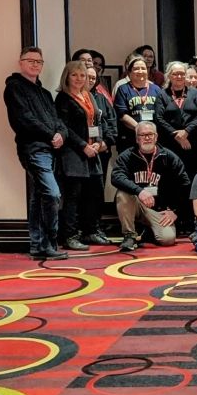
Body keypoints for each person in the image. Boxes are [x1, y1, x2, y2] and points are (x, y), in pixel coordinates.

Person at [4, 47, 70, 260]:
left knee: (39, 197)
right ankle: (49, 243)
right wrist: (52, 134)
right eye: (30, 60)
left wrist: (61, 133)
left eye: (39, 62)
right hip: (33, 149)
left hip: (50, 149)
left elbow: (58, 120)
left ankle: (38, 245)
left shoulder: (44, 93)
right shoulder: (14, 87)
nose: (35, 64)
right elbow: (24, 119)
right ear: (20, 62)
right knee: (52, 194)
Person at [55, 61, 109, 252]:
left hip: (93, 152)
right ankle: (70, 235)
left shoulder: (88, 95)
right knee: (73, 196)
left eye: (83, 75)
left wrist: (99, 141)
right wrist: (83, 145)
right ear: (67, 77)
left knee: (94, 193)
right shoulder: (63, 98)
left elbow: (98, 121)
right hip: (73, 154)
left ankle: (91, 230)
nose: (79, 79)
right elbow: (65, 128)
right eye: (75, 75)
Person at [112, 121, 191, 252]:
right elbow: (116, 177)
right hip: (136, 204)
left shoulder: (169, 157)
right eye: (143, 135)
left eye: (150, 134)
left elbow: (185, 185)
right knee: (123, 193)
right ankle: (130, 235)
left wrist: (176, 212)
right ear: (137, 139)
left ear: (156, 137)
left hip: (159, 210)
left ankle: (148, 231)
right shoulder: (127, 156)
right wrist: (139, 191)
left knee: (168, 239)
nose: (147, 138)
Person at [156, 62, 197, 180]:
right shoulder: (162, 94)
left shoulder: (195, 93)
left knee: (194, 177)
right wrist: (177, 135)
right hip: (170, 144)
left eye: (182, 74)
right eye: (175, 74)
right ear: (169, 76)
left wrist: (186, 132)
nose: (179, 77)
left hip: (194, 142)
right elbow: (159, 118)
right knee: (172, 178)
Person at [114, 55, 165, 151]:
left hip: (153, 139)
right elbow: (122, 114)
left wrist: (150, 132)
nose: (140, 71)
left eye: (143, 68)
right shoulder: (123, 89)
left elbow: (162, 113)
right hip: (130, 138)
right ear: (129, 73)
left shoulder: (156, 89)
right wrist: (140, 128)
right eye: (136, 69)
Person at [87, 66, 117, 188]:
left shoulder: (101, 98)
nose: (90, 80)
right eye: (88, 77)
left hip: (102, 150)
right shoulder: (71, 97)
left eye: (93, 78)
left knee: (98, 192)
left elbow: (112, 124)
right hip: (82, 152)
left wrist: (105, 143)